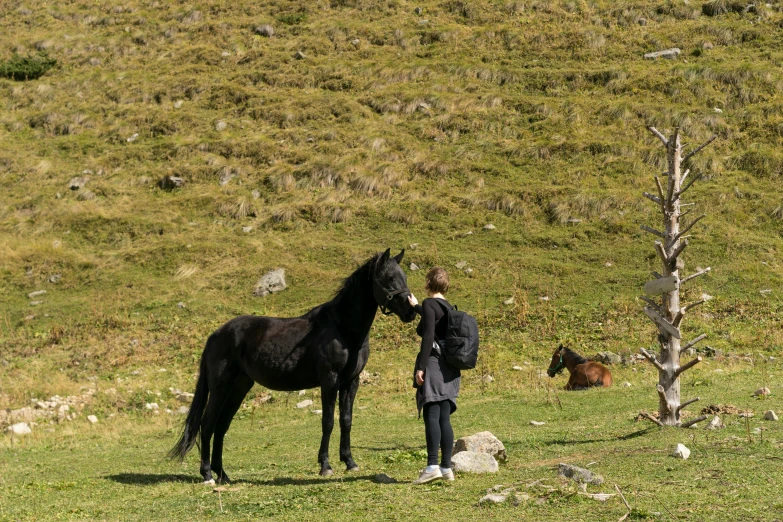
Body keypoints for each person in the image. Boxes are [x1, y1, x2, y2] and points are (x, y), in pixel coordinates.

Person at [407, 267, 460, 484]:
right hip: (450, 370)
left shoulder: (430, 304)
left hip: (434, 365)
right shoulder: (450, 308)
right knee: (444, 418)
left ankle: (431, 467)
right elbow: (434, 321)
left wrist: (421, 367)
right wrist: (416, 306)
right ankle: (446, 467)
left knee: (431, 413)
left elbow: (428, 336)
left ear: (428, 282)